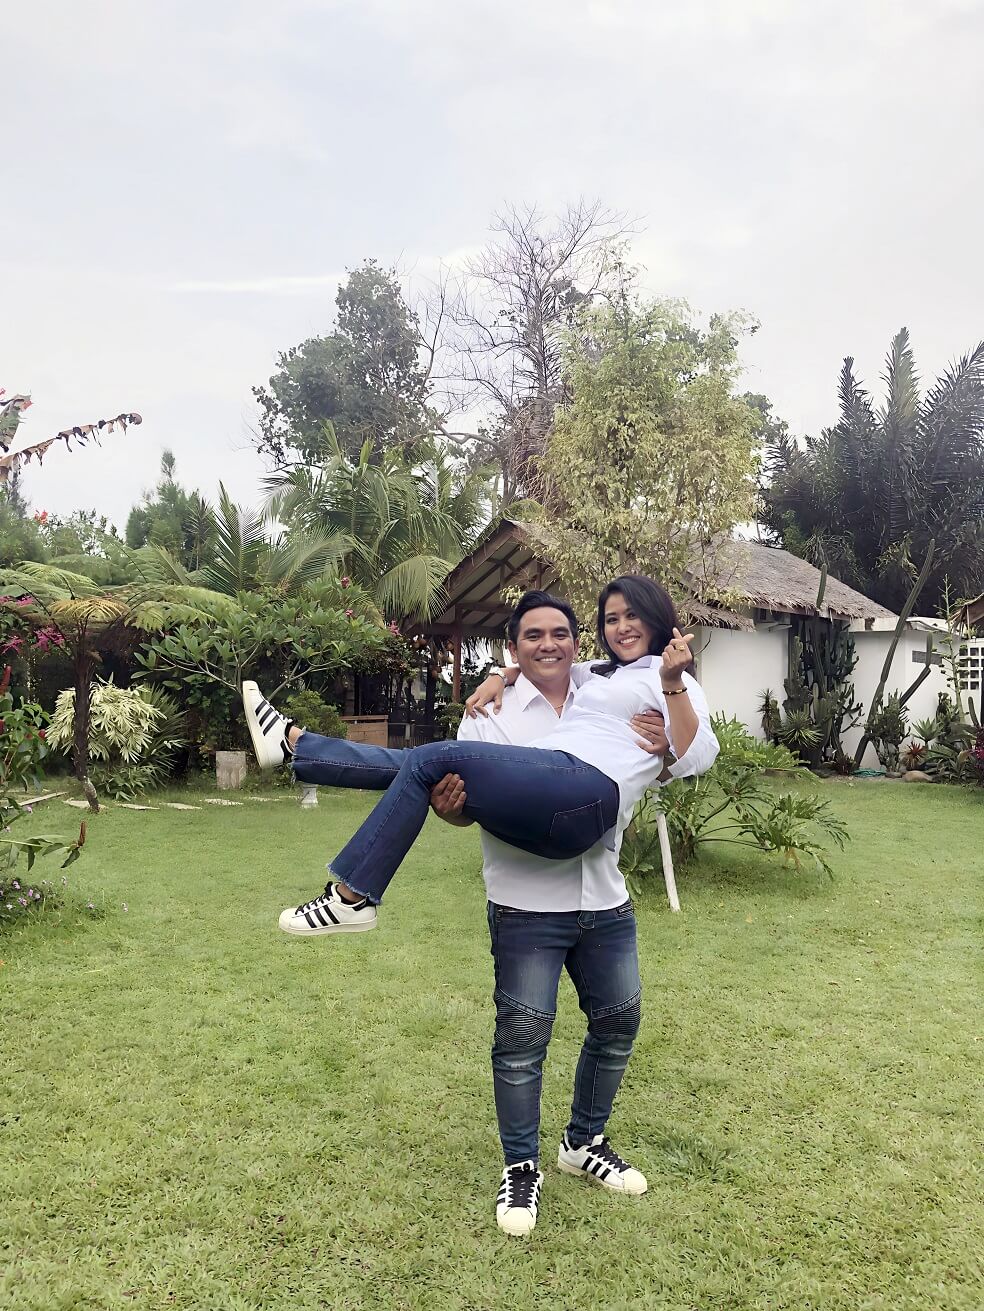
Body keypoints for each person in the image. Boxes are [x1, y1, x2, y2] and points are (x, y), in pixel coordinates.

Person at [241, 574, 717, 943]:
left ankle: (347, 886)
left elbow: (699, 754)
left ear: (656, 618)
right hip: (555, 807)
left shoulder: (667, 675)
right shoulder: (600, 674)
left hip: (585, 789)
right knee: (427, 764)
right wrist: (500, 675)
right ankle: (295, 748)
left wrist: (673, 685)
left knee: (429, 759)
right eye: (612, 619)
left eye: (633, 615)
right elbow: (543, 661)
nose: (622, 627)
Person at [427, 587, 669, 1235]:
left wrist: (666, 736)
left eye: (560, 632)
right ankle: (521, 1166)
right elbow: (465, 808)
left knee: (618, 1022)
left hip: (605, 897)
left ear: (576, 642)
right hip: (526, 903)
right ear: (513, 646)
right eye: (532, 635)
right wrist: (452, 810)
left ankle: (583, 1143)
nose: (548, 644)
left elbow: (669, 737)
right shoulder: (489, 715)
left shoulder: (605, 691)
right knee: (521, 1041)